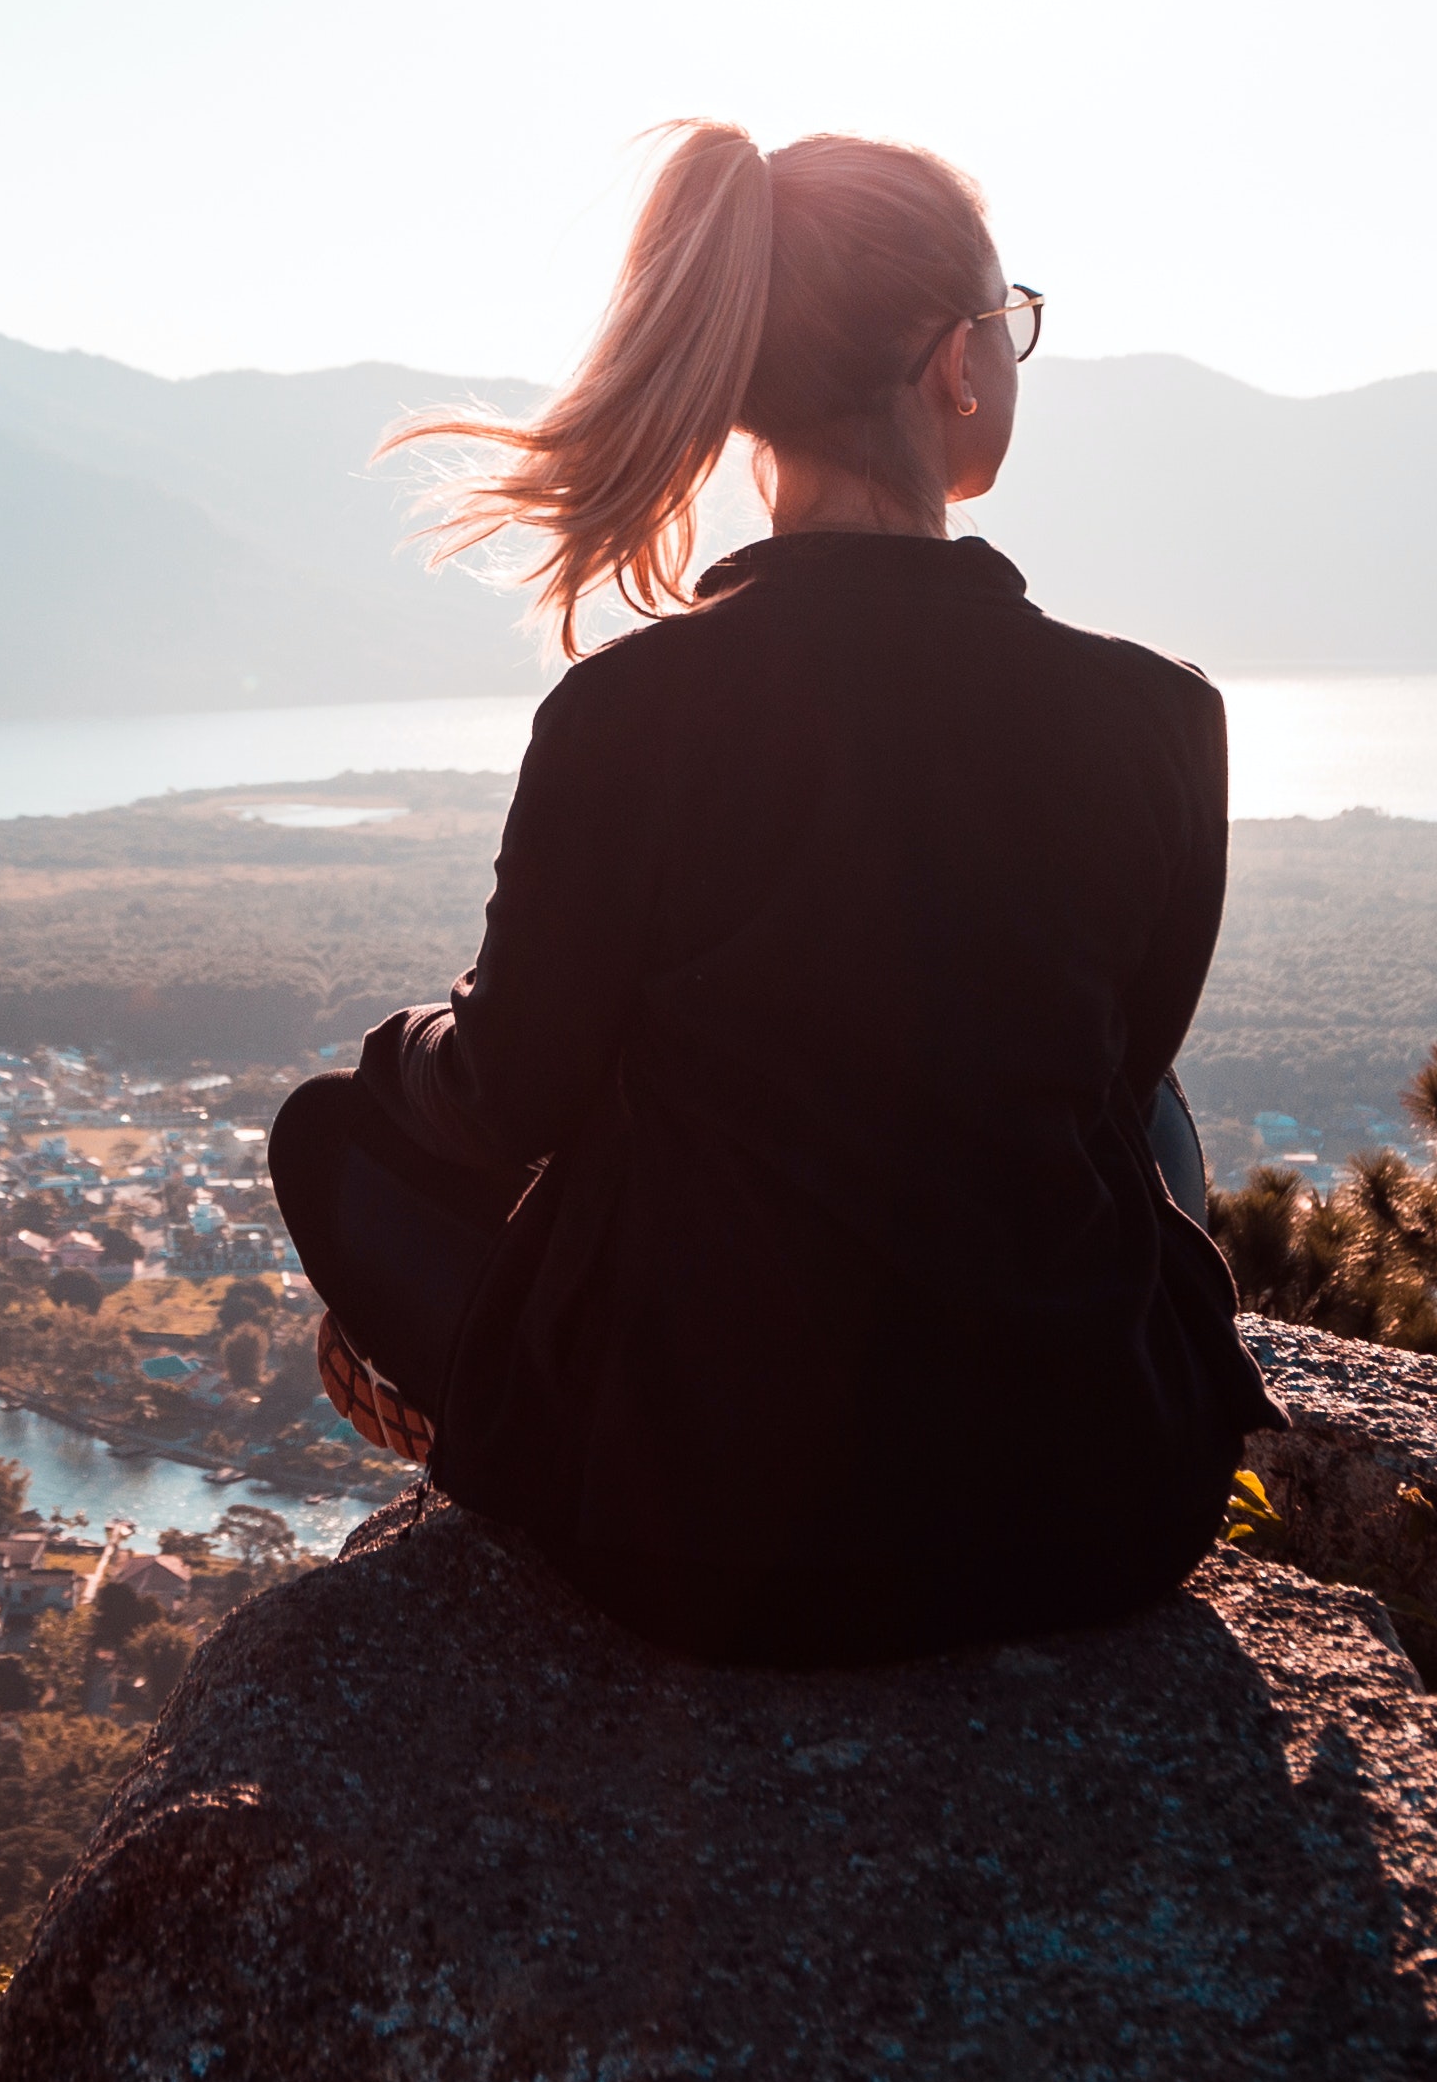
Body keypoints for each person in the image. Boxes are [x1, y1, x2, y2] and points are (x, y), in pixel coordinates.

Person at [270, 122, 1270, 1668]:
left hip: (712, 1534)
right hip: (1098, 1501)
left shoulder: (628, 716)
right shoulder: (1158, 718)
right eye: (1009, 324)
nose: (1010, 357)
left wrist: (404, 1047)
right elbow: (1115, 1079)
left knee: (327, 1140)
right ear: (954, 365)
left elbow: (504, 1096)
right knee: (1146, 1112)